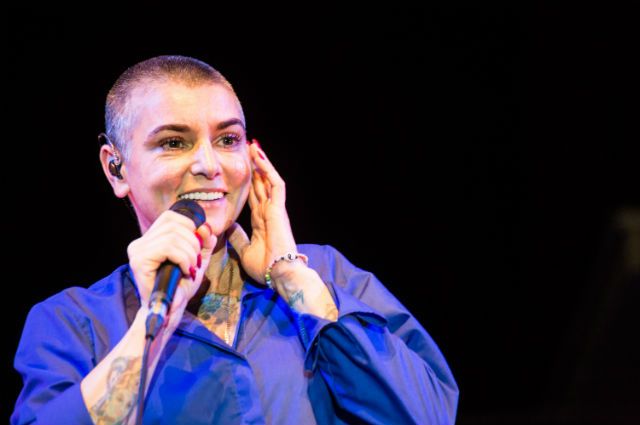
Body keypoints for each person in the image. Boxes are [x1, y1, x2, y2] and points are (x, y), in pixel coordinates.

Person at [11, 55, 458, 424]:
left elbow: (428, 416)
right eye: (173, 143)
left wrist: (290, 276)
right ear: (116, 168)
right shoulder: (71, 323)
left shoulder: (326, 276)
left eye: (228, 139)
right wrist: (154, 323)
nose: (209, 164)